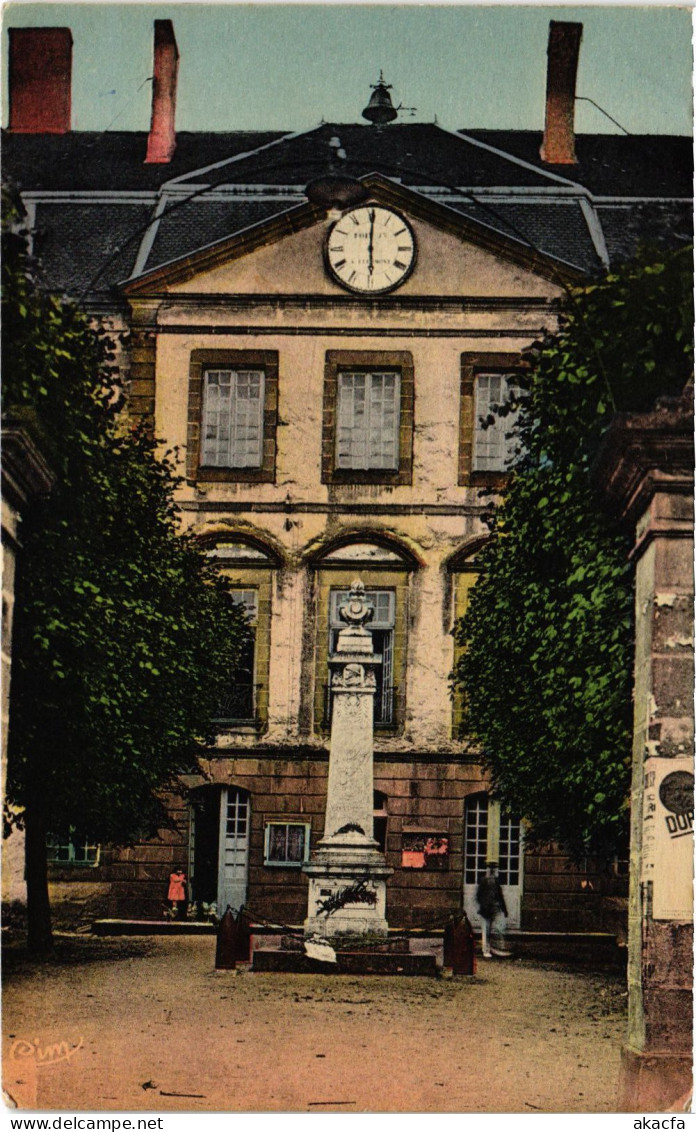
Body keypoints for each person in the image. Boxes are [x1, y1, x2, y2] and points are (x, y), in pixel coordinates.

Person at [476, 862, 510, 958]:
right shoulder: (483, 881)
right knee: (486, 930)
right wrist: (484, 905)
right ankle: (485, 950)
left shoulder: (496, 882)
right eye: (490, 870)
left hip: (495, 909)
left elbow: (500, 897)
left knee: (500, 928)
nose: (492, 872)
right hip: (486, 910)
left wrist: (504, 910)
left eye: (493, 870)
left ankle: (499, 947)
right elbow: (478, 896)